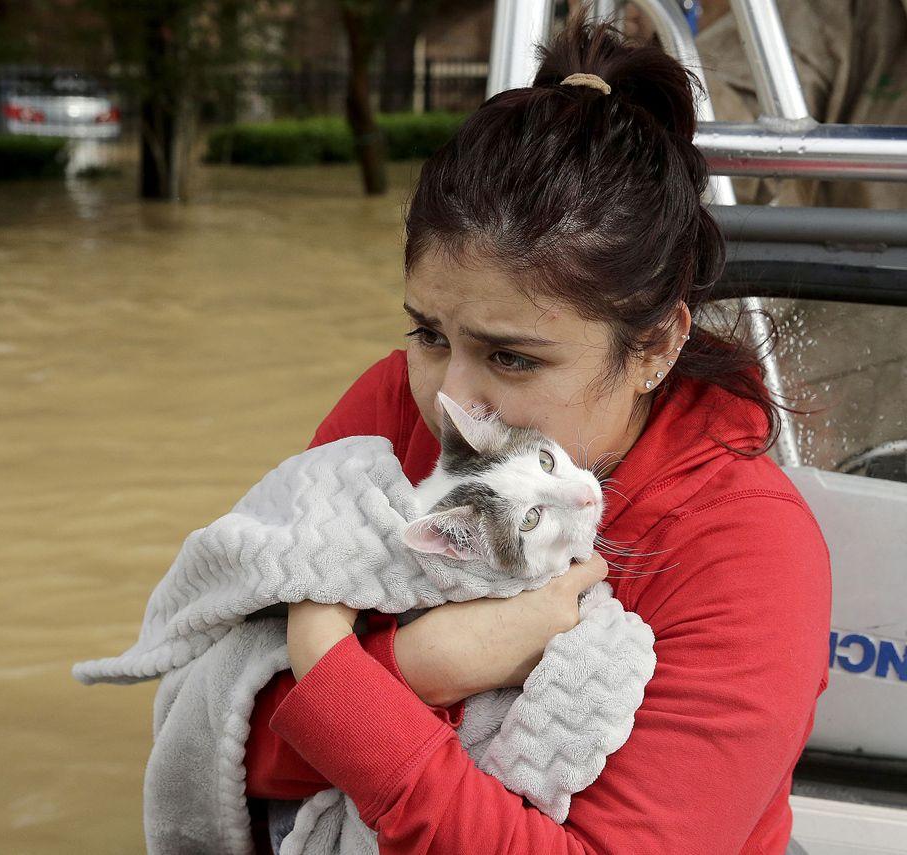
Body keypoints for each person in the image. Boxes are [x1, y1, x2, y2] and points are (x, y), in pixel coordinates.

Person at [241, 14, 832, 855]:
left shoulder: (743, 548)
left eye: (512, 358)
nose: (450, 401)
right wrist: (427, 665)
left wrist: (336, 664)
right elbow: (221, 735)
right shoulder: (388, 411)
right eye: (431, 335)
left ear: (657, 346)